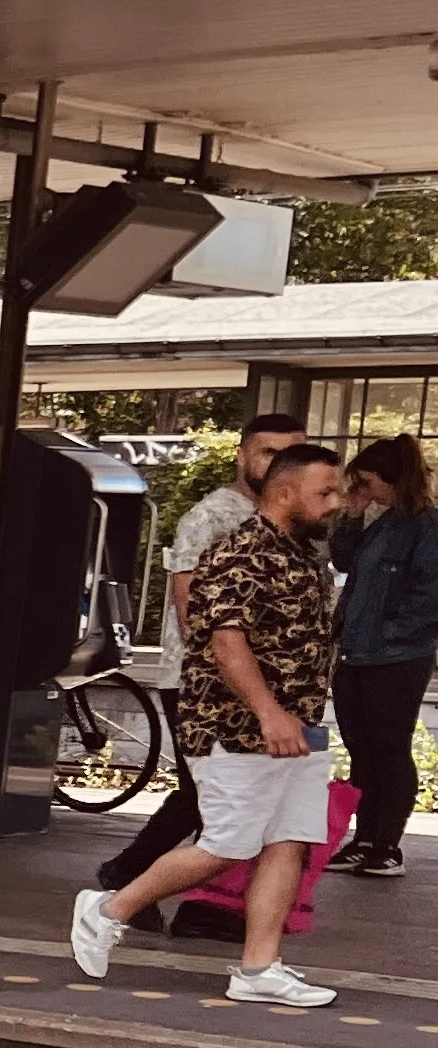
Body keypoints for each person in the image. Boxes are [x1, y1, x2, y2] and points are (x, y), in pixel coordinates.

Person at [71, 440, 347, 1008]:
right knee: (227, 845)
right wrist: (269, 713)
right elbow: (225, 639)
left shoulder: (301, 552)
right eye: (327, 491)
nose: (337, 501)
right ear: (287, 492)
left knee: (288, 843)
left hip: (298, 727)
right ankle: (109, 907)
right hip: (237, 728)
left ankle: (258, 968)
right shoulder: (242, 551)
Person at [101, 410, 310, 891]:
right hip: (205, 684)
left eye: (291, 453)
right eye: (269, 452)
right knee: (208, 796)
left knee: (248, 798)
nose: (280, 463)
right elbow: (192, 609)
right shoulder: (212, 517)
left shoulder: (295, 521)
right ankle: (127, 878)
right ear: (242, 456)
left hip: (272, 688)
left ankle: (202, 901)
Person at [327, 435, 438, 878]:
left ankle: (386, 844)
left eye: (368, 481)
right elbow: (344, 560)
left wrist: (388, 633)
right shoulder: (385, 522)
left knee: (390, 748)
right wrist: (352, 516)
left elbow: (429, 597)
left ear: (391, 478)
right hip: (359, 652)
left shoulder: (428, 527)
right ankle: (365, 838)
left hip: (396, 656)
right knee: (362, 749)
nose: (363, 488)